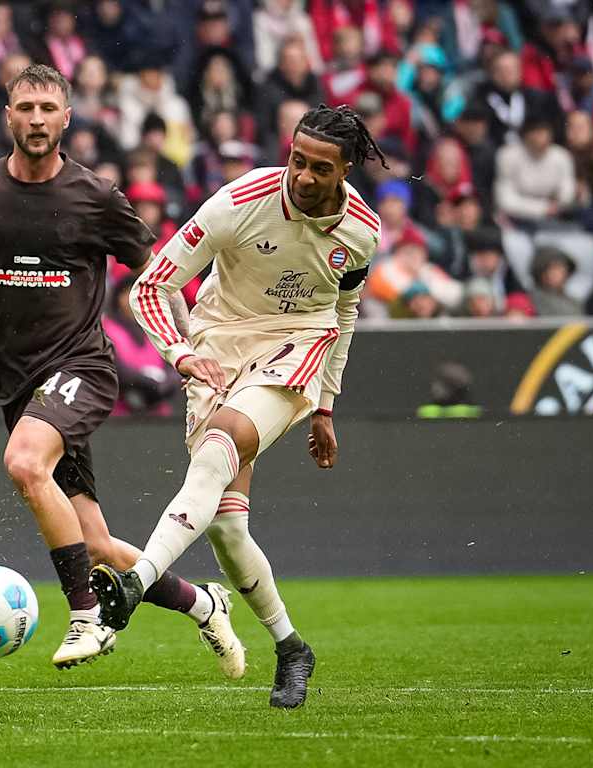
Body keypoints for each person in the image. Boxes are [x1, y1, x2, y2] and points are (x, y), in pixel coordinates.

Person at [0, 64, 242, 674]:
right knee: (96, 545)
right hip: (18, 383)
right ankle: (203, 603)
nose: (37, 119)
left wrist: (187, 344)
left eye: (48, 108)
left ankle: (86, 616)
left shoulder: (95, 196)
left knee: (24, 463)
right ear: (9, 116)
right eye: (26, 107)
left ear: (67, 117)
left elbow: (160, 274)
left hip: (82, 365)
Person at [89, 104, 385, 710]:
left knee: (221, 446)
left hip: (297, 342)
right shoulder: (239, 200)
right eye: (297, 160)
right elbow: (152, 286)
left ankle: (135, 584)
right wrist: (177, 353)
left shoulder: (362, 231)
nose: (301, 176)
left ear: (346, 169)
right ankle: (291, 646)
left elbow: (346, 311)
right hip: (215, 347)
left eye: (319, 168)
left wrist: (325, 404)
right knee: (226, 527)